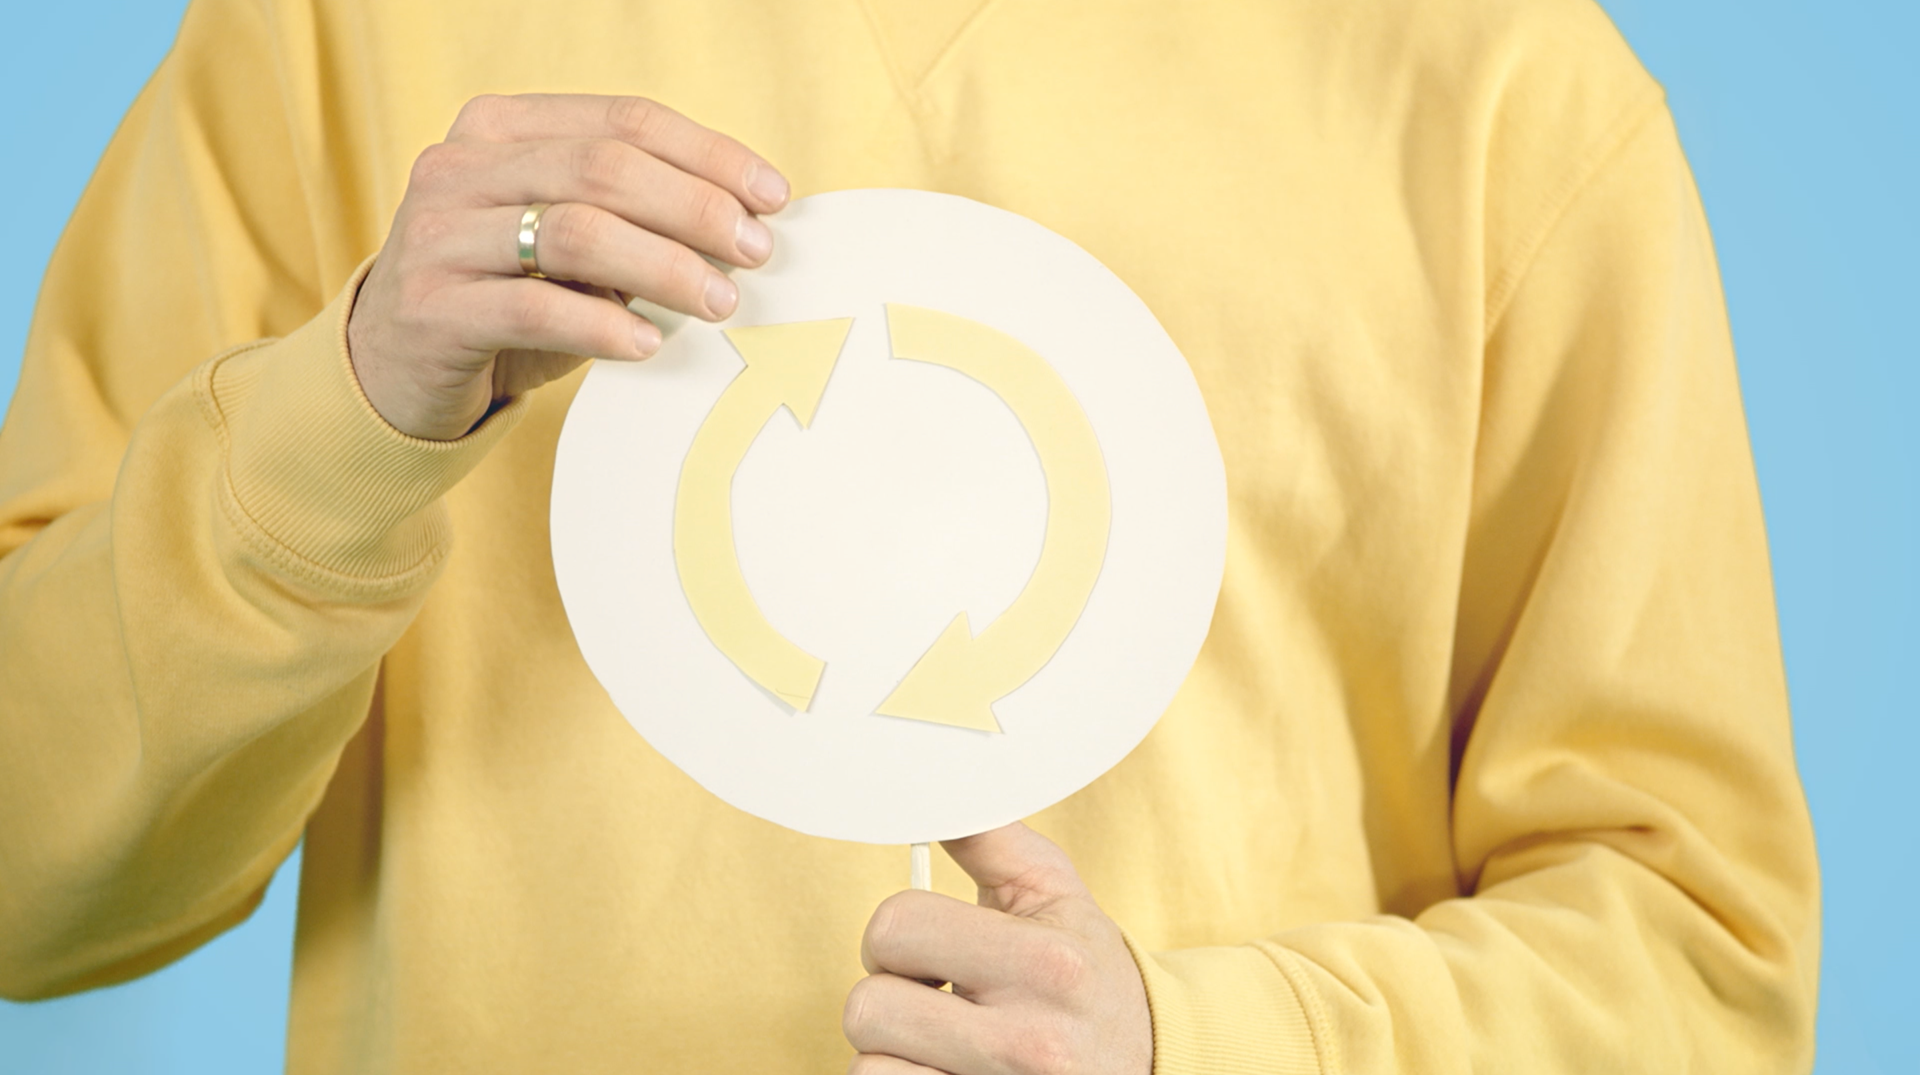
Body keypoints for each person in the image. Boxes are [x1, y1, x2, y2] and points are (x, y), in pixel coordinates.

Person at [0, 0, 1820, 1071]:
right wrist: (350, 403)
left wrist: (1205, 1044)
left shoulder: (1501, 86)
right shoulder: (334, 39)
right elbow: (29, 879)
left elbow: (1701, 963)